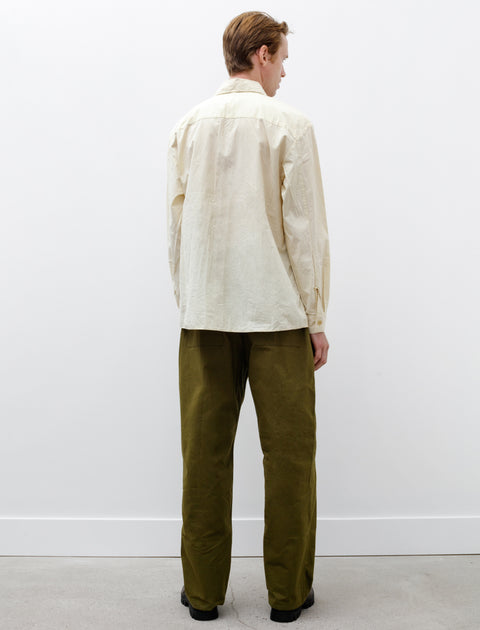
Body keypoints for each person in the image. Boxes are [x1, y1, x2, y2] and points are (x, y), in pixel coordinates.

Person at [166, 10, 330, 623]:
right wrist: (315, 317)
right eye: (282, 58)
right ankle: (287, 596)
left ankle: (203, 594)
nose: (284, 72)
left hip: (205, 316)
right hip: (278, 317)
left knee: (203, 457)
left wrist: (191, 298)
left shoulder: (188, 127)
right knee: (289, 460)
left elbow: (176, 228)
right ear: (262, 54)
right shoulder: (291, 127)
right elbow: (305, 233)